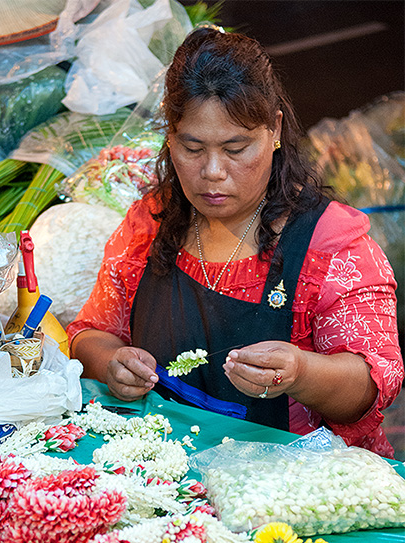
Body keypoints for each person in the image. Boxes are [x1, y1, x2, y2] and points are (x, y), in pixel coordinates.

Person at [68, 28, 402, 456]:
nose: (212, 171)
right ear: (169, 135)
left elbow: (373, 385)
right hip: (170, 470)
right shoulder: (148, 226)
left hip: (292, 484)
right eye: (192, 147)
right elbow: (89, 333)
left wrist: (301, 371)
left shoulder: (331, 247)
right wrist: (112, 362)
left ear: (275, 130)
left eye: (235, 148)